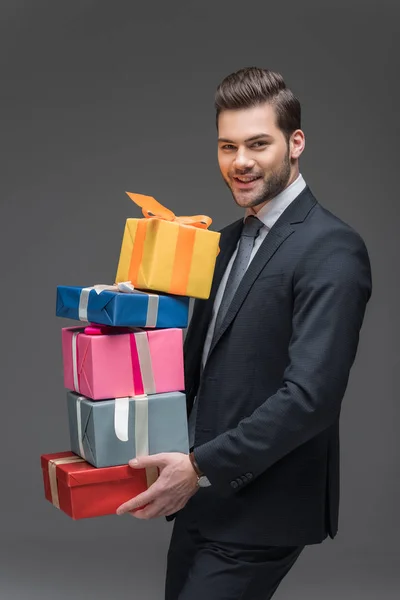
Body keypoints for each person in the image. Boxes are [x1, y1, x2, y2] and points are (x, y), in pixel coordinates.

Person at [116, 67, 372, 600]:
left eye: (258, 143)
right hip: (202, 499)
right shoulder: (224, 243)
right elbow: (203, 364)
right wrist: (129, 305)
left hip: (263, 506)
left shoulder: (332, 248)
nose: (240, 162)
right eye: (227, 146)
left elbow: (312, 398)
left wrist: (199, 466)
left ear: (295, 143)